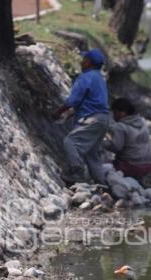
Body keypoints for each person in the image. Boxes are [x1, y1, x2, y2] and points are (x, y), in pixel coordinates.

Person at [57, 48, 109, 185]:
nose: (82, 62)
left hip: (92, 118)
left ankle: (77, 172)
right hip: (103, 118)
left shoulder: (85, 77)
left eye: (84, 59)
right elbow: (92, 102)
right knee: (93, 153)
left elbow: (73, 101)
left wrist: (58, 112)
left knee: (70, 142)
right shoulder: (99, 78)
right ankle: (101, 183)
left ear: (89, 63)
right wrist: (71, 113)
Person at [104, 98, 151, 180]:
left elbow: (116, 147)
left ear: (122, 113)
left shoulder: (120, 127)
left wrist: (102, 143)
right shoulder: (142, 123)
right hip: (148, 166)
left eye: (115, 113)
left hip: (131, 166)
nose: (113, 116)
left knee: (104, 166)